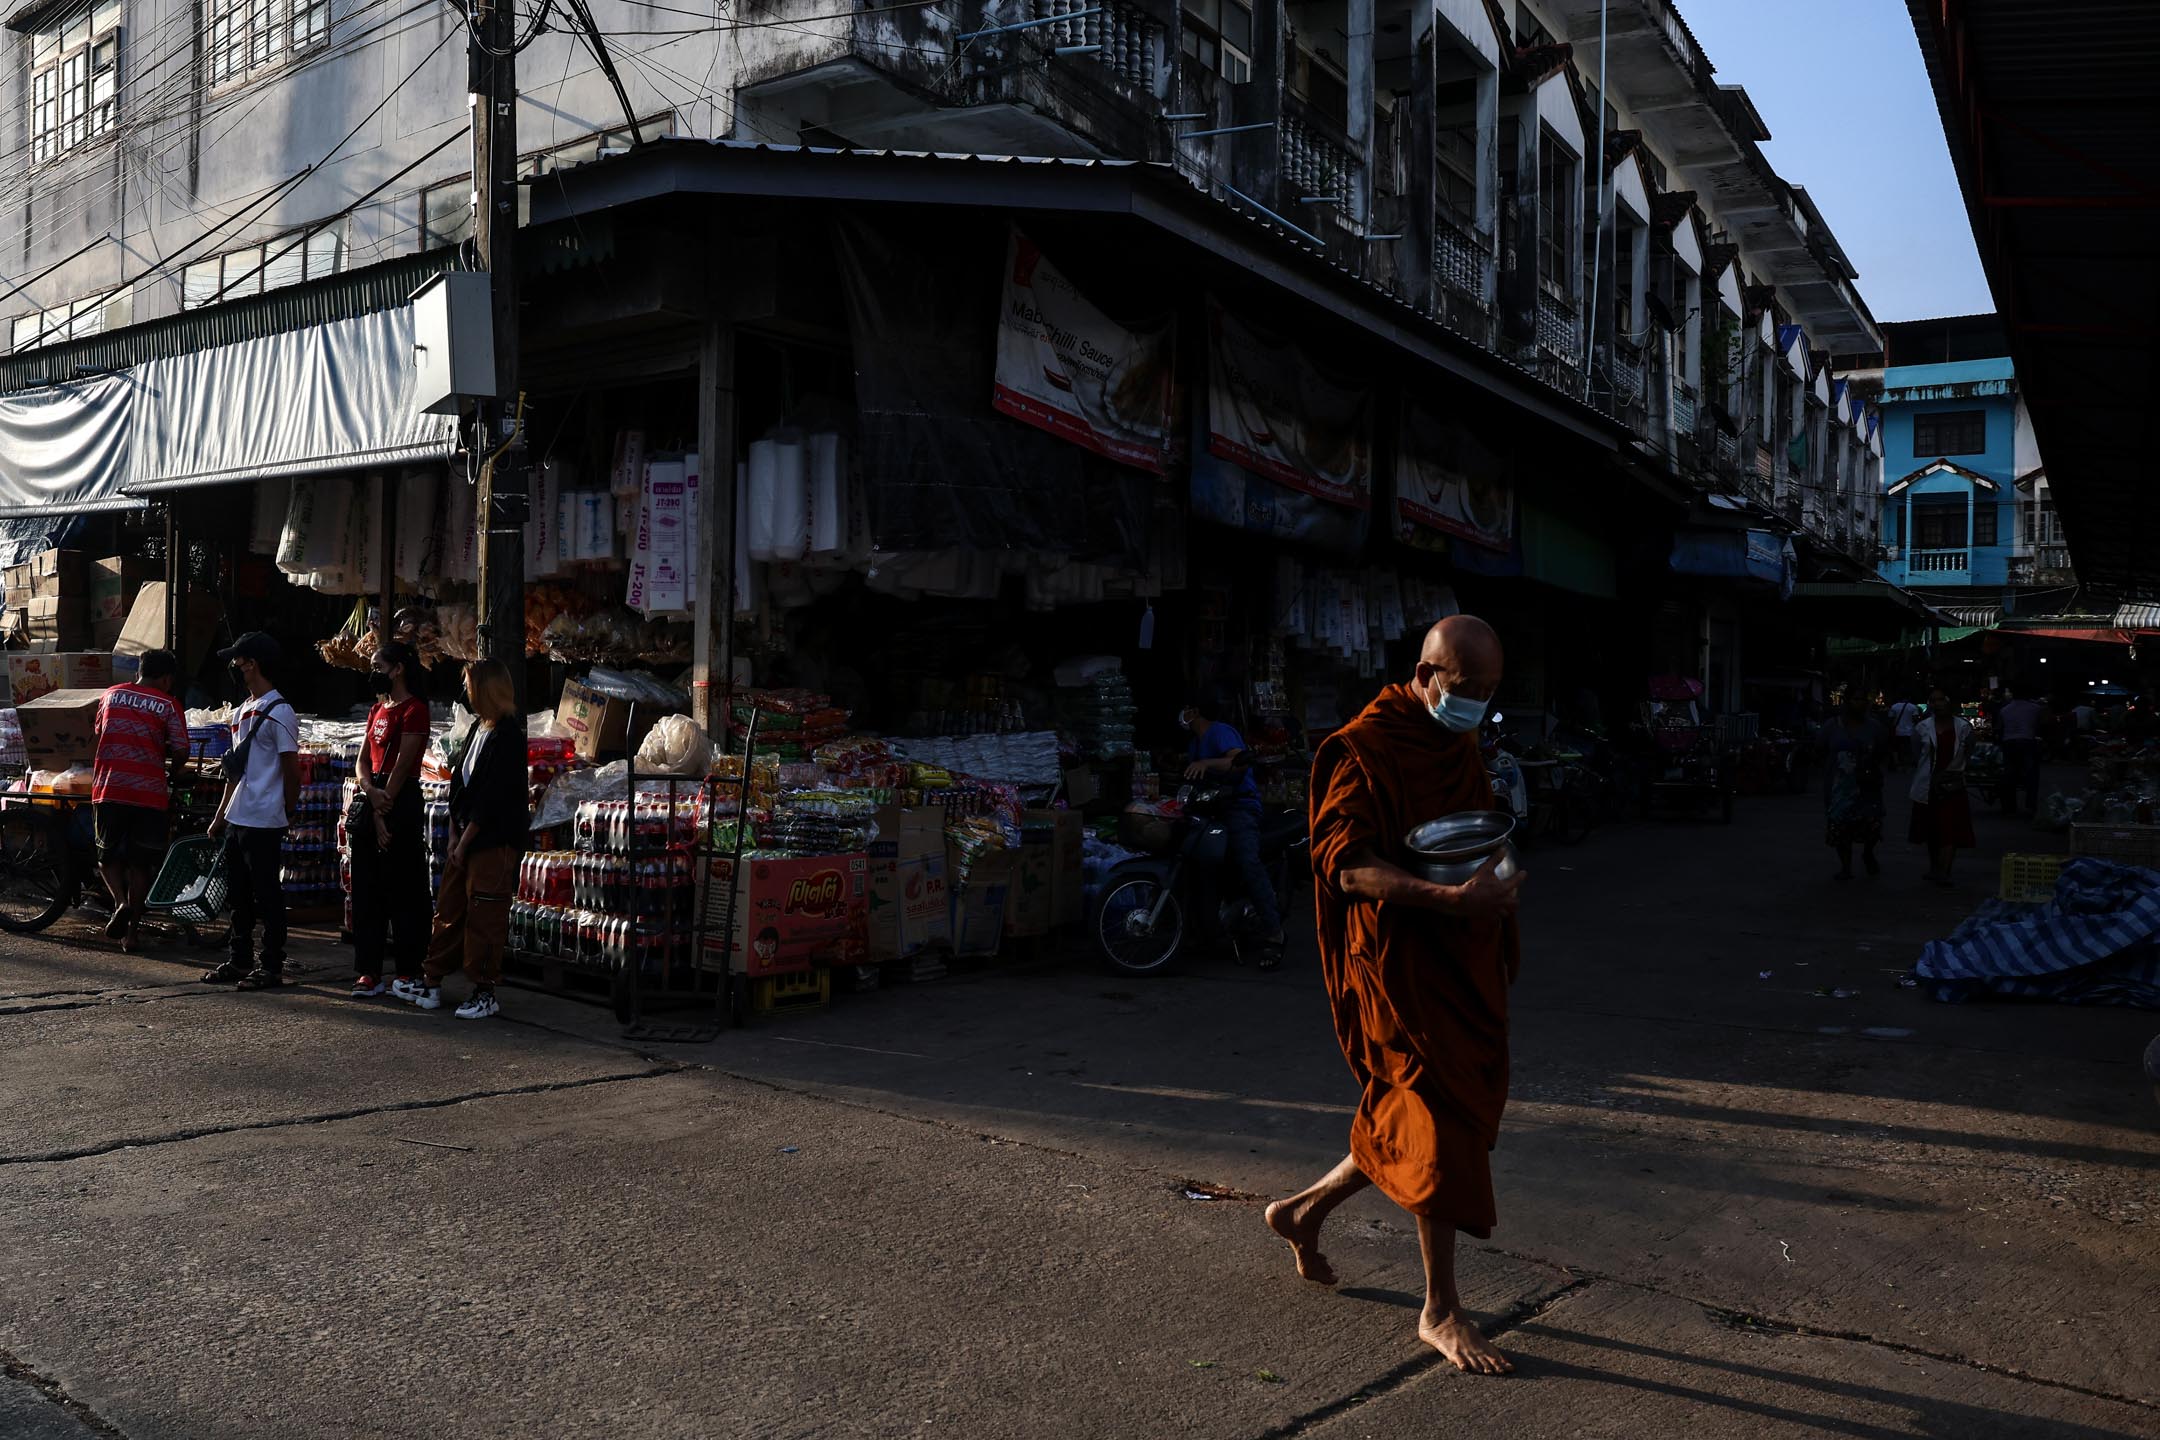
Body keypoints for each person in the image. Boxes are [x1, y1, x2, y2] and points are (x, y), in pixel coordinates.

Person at [1264, 616, 1525, 1376]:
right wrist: (1448, 903)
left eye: (1489, 692)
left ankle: (1300, 1213)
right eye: (1466, 689)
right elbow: (1343, 867)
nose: (1476, 704)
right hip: (1395, 961)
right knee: (1437, 1120)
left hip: (1454, 955)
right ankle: (1440, 1308)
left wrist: (1504, 876)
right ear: (1424, 673)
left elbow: (1478, 829)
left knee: (1407, 1116)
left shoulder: (1455, 739)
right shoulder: (1364, 748)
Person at [399, 660, 527, 1019]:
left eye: (470, 685)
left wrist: (466, 838)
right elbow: (460, 785)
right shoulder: (476, 731)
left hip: (492, 841)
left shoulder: (508, 737)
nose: (465, 693)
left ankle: (484, 989)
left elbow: (493, 798)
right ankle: (433, 979)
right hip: (465, 838)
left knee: (485, 914)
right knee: (449, 910)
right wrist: (456, 833)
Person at [202, 633, 300, 990]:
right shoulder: (243, 710)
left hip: (265, 818)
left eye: (239, 661)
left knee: (267, 895)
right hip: (239, 816)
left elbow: (292, 769)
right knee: (239, 896)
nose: (235, 667)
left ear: (252, 664)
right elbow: (236, 770)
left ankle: (271, 964)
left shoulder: (281, 711)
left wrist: (287, 810)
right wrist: (220, 814)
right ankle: (239, 959)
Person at [90, 649, 190, 951]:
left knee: (106, 857)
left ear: (140, 671)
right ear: (166, 678)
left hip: (110, 788)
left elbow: (99, 731)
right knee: (140, 865)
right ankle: (130, 935)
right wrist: (172, 764)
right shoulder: (169, 705)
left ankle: (120, 903)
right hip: (149, 794)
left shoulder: (110, 695)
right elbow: (182, 751)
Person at [349, 640, 432, 998]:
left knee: (404, 891)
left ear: (397, 669)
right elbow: (362, 760)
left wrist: (385, 805)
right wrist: (370, 793)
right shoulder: (377, 709)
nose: (373, 673)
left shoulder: (415, 710)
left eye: (378, 666)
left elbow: (404, 763)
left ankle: (407, 969)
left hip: (401, 797)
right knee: (367, 891)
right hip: (374, 797)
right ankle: (369, 971)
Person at [1179, 698, 1284, 969]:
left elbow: (1238, 762)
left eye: (1185, 709)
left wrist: (1206, 763)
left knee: (1248, 863)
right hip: (1211, 810)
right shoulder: (1193, 745)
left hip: (1240, 809)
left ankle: (1274, 934)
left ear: (1194, 710)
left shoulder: (1220, 732)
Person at [1909, 688, 1975, 888]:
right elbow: (1916, 755)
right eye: (1933, 700)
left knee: (1949, 828)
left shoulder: (1964, 727)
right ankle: (1934, 867)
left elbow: (1968, 753)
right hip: (1927, 785)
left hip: (1951, 786)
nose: (1937, 704)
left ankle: (1944, 871)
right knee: (1931, 829)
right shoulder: (1922, 728)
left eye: (1941, 700)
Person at [1820, 695, 1888, 881]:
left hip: (1867, 785)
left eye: (1862, 699)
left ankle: (1868, 853)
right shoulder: (1832, 726)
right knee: (1840, 827)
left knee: (1872, 824)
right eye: (1854, 698)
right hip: (1840, 786)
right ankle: (1846, 866)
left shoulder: (1874, 727)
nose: (1858, 703)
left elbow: (1883, 751)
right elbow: (1821, 750)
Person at [1996, 686, 2046, 818]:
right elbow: (2040, 726)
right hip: (2028, 742)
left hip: (2009, 743)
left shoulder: (2005, 710)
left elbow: (2000, 729)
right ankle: (2030, 805)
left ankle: (2010, 807)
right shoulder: (2035, 708)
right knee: (2032, 775)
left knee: (2009, 775)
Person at [1887, 695, 1921, 770]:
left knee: (1896, 748)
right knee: (1908, 748)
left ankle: (1897, 763)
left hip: (1897, 731)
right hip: (1910, 732)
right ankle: (1908, 764)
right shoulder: (1913, 707)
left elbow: (1890, 719)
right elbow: (1916, 720)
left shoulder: (1894, 706)